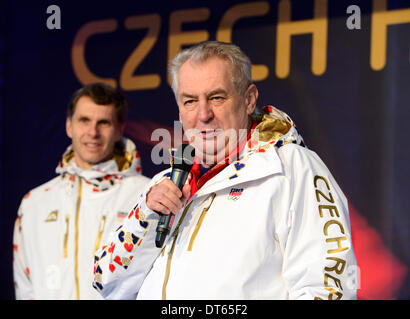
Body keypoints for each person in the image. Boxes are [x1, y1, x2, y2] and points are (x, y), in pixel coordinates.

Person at [92, 41, 357, 300]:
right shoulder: (165, 183)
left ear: (249, 99)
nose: (203, 114)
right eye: (190, 101)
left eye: (216, 97)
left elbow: (328, 286)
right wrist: (147, 217)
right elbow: (105, 283)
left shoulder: (290, 169)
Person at [13, 83, 150, 299]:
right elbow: (25, 287)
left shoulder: (146, 196)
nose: (92, 132)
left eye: (103, 122)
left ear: (119, 130)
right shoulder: (34, 203)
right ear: (69, 126)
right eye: (84, 120)